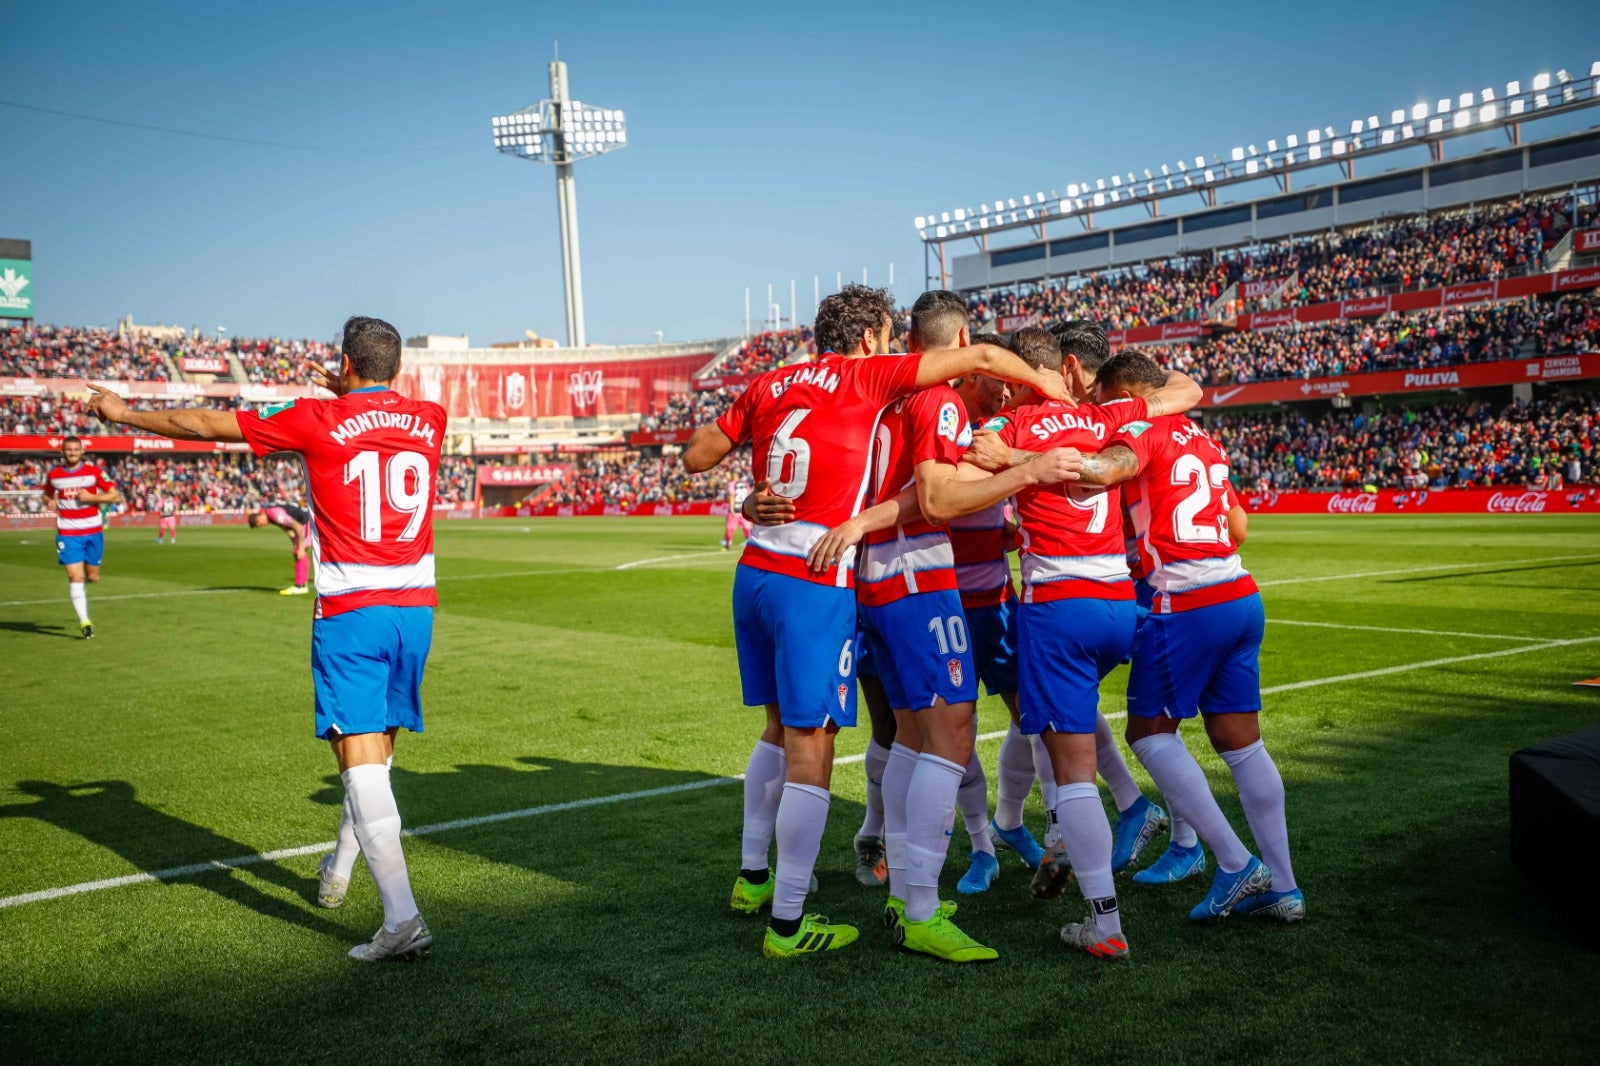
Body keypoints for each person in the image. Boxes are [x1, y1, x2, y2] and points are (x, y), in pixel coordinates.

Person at [680, 283, 1075, 959]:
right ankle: (868, 912)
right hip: (870, 576)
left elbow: (699, 454)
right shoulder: (891, 382)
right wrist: (1047, 417)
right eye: (886, 335)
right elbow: (934, 490)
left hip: (805, 572)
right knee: (920, 736)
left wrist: (751, 497)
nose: (891, 344)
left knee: (902, 736)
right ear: (873, 339)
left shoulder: (786, 381)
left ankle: (867, 885)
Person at [88, 315, 448, 960]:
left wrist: (124, 414)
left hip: (353, 610)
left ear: (344, 362)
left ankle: (402, 922)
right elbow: (378, 423)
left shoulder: (315, 416)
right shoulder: (432, 419)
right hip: (416, 609)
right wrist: (347, 392)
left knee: (358, 755)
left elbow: (202, 425)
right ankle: (338, 871)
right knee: (376, 754)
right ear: (398, 368)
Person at [975, 323, 1199, 959]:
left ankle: (1104, 924)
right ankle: (1156, 823)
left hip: (1057, 606)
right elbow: (1184, 388)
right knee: (1141, 727)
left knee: (1070, 769)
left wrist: (1027, 463)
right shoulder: (1106, 414)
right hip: (1117, 603)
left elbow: (970, 461)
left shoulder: (1011, 426)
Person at [1068, 349, 1302, 922]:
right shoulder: (1204, 438)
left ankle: (1232, 863)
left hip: (1187, 599)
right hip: (1239, 592)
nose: (1098, 409)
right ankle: (1286, 887)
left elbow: (1103, 470)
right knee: (1241, 743)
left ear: (1123, 394)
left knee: (1149, 733)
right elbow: (1239, 526)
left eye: (1103, 400)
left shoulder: (1140, 429)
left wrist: (1022, 460)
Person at [41, 435, 121, 639]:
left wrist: (91, 498)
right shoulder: (54, 475)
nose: (72, 453)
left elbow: (114, 495)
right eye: (68, 449)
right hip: (67, 533)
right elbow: (47, 494)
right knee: (75, 577)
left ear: (82, 451)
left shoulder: (94, 473)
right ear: (62, 451)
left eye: (76, 449)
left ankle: (83, 586)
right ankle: (85, 622)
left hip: (93, 531)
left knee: (92, 577)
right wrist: (49, 501)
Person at [249, 502, 314, 595]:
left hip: (307, 522)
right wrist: (296, 543)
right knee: (299, 551)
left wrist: (300, 547)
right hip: (306, 522)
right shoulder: (272, 515)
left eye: (259, 523)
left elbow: (298, 527)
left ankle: (300, 586)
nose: (262, 525)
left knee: (300, 552)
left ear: (260, 516)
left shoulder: (274, 513)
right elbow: (288, 530)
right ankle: (302, 584)